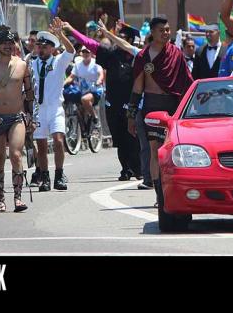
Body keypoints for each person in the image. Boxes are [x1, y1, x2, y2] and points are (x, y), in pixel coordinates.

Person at [65, 18, 143, 181]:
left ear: (129, 40)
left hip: (131, 106)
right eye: (117, 36)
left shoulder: (138, 57)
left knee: (132, 138)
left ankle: (137, 168)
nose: (118, 39)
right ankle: (125, 169)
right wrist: (71, 29)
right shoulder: (111, 54)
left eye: (122, 37)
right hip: (112, 105)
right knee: (120, 140)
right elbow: (89, 43)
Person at [127, 17, 193, 206]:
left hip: (173, 107)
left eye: (168, 29)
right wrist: (131, 116)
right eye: (161, 30)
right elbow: (137, 88)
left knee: (172, 151)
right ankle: (159, 195)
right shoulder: (143, 57)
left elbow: (187, 82)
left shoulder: (176, 53)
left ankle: (173, 190)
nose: (166, 33)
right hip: (152, 107)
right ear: (152, 32)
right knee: (155, 151)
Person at [0, 25, 36, 213]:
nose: (8, 46)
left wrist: (31, 117)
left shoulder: (22, 65)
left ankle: (18, 198)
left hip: (16, 117)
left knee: (16, 154)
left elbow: (29, 94)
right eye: (4, 43)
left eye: (11, 43)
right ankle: (0, 199)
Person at [31, 23, 75, 192]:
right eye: (39, 46)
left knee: (58, 141)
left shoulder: (58, 61)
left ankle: (59, 175)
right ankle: (44, 177)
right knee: (41, 146)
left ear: (52, 48)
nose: (41, 50)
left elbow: (71, 51)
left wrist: (61, 35)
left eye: (45, 47)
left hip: (55, 108)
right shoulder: (31, 64)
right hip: (39, 110)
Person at [65, 46, 105, 125]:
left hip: (95, 90)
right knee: (69, 97)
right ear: (81, 53)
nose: (85, 54)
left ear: (91, 53)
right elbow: (71, 77)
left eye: (87, 52)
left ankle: (95, 117)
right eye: (83, 52)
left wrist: (99, 80)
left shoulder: (96, 63)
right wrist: (63, 83)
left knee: (85, 99)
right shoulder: (78, 65)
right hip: (82, 91)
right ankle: (82, 127)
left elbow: (101, 74)